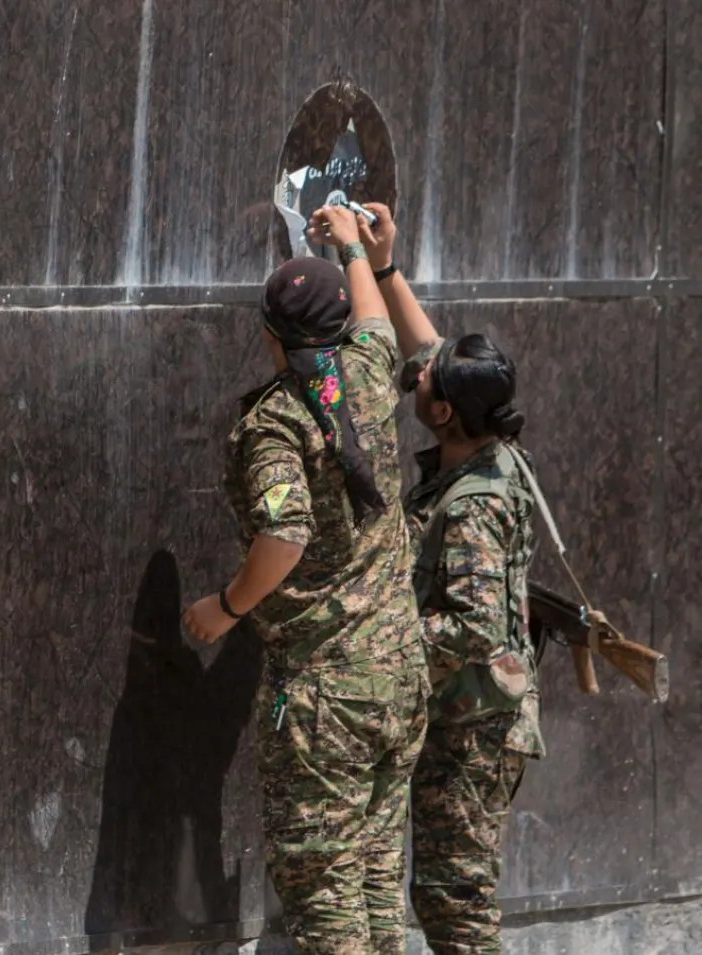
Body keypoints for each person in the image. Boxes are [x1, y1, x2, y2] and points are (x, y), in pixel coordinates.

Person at [183, 204, 428, 955]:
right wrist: (357, 244)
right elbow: (378, 320)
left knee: (325, 894)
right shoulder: (372, 373)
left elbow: (285, 534)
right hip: (399, 677)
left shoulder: (279, 422)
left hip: (327, 697)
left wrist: (226, 607)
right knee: (380, 882)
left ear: (270, 338)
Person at [357, 201, 545, 955]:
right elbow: (428, 349)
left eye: (424, 384)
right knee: (447, 894)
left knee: (454, 905)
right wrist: (385, 265)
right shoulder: (484, 439)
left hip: (472, 732)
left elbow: (472, 625)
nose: (416, 375)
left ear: (441, 413)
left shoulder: (472, 509)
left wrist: (382, 639)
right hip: (464, 719)